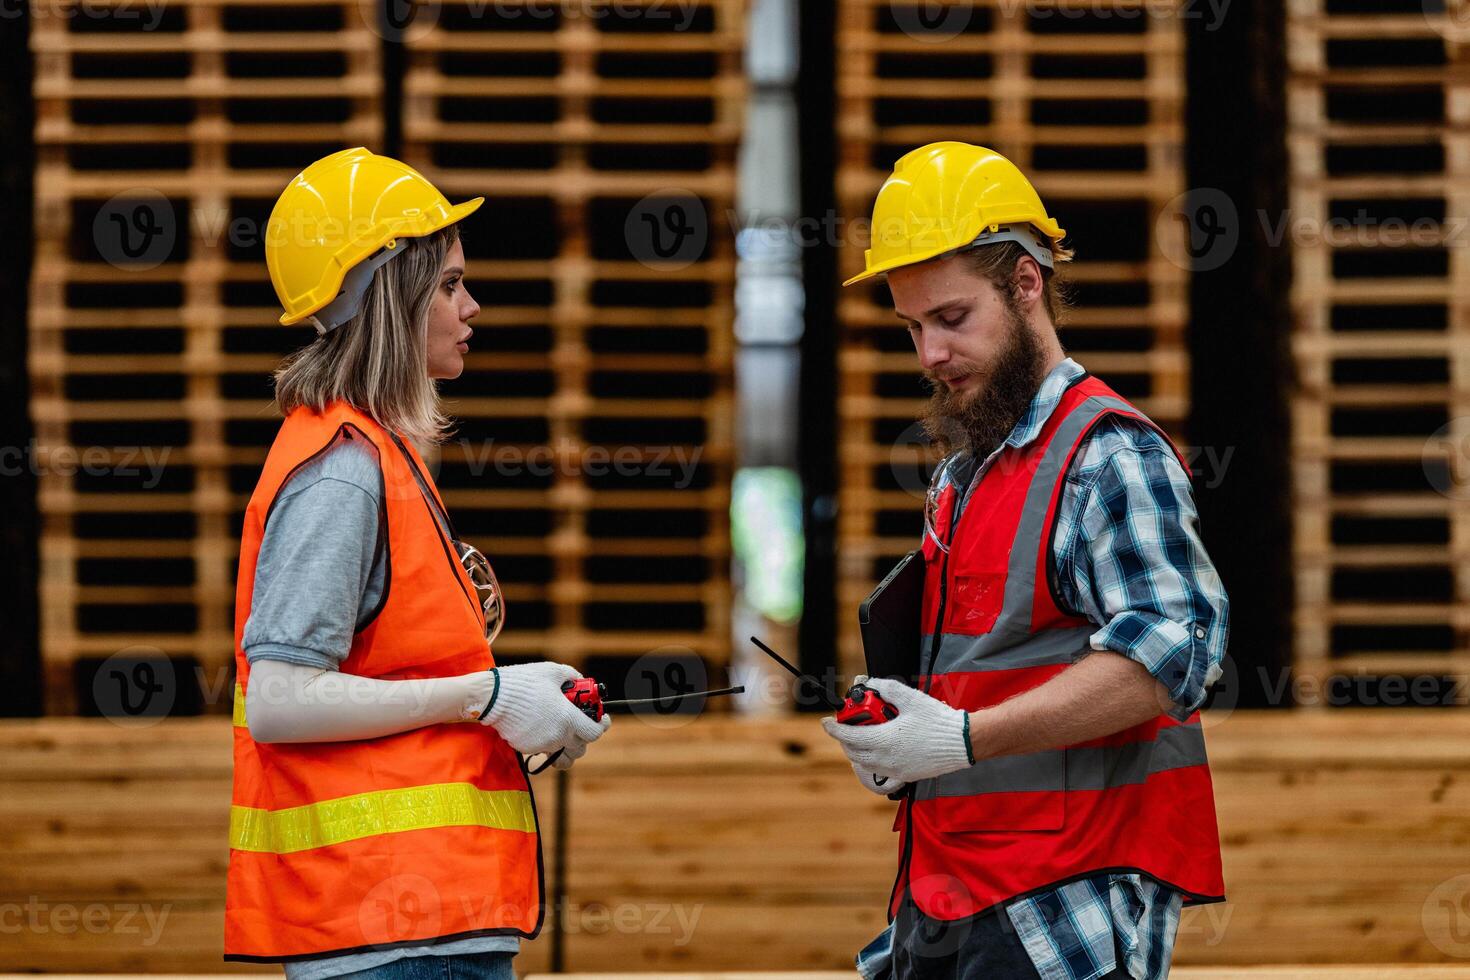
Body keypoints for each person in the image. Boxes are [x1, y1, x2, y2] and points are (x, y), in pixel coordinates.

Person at [822, 142, 1228, 980]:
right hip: (947, 891)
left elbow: (1173, 653)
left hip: (1060, 908)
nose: (929, 352)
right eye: (913, 327)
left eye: (952, 317)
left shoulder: (1107, 456)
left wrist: (963, 738)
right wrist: (909, 739)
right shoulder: (964, 476)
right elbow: (991, 668)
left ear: (1026, 283)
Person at [223, 148, 609, 979]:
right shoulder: (342, 473)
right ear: (388, 299)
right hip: (390, 937)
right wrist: (491, 695)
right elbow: (280, 701)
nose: (471, 307)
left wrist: (514, 710)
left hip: (417, 925)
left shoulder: (383, 458)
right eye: (448, 285)